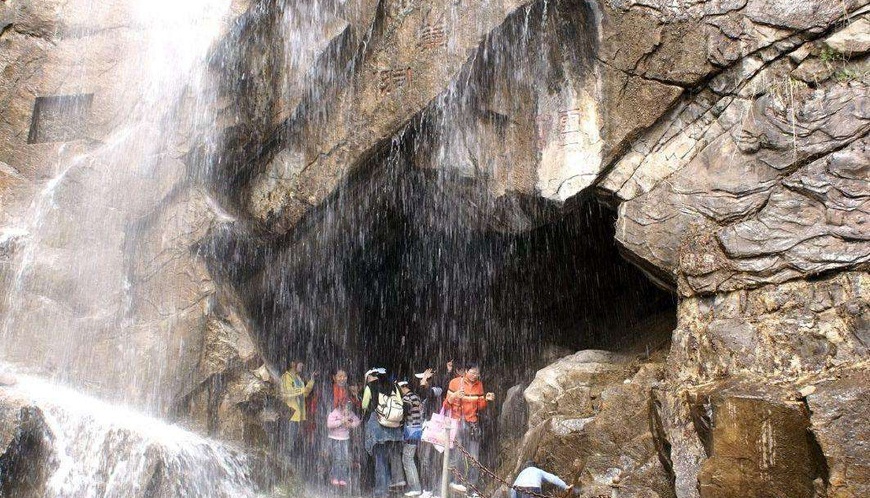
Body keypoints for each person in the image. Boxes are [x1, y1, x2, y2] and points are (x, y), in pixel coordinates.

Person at [443, 364, 495, 496]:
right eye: (472, 373)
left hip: (473, 424)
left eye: (477, 373)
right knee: (458, 456)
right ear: (466, 371)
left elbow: (480, 406)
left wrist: (486, 400)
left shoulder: (479, 385)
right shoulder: (455, 383)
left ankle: (472, 489)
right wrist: (454, 395)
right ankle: (456, 483)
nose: (475, 376)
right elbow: (446, 405)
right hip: (458, 423)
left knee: (474, 458)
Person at [362, 369, 406, 498]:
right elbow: (401, 404)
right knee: (390, 458)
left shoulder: (370, 387)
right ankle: (392, 486)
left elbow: (364, 405)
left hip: (378, 428)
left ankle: (381, 491)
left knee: (380, 461)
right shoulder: (394, 386)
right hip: (393, 429)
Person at [280, 360, 316, 459]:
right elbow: (286, 393)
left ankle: (289, 462)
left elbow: (304, 394)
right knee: (289, 442)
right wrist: (302, 390)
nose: (302, 365)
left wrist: (311, 381)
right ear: (292, 363)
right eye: (300, 363)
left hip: (299, 416)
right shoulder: (286, 377)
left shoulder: (298, 378)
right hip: (290, 416)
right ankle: (284, 461)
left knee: (294, 441)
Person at [327, 400, 361, 488]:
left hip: (345, 439)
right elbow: (329, 424)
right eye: (345, 408)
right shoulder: (335, 413)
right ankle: (334, 476)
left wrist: (350, 424)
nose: (347, 410)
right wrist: (341, 421)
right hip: (335, 439)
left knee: (344, 458)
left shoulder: (351, 414)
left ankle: (343, 477)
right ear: (341, 407)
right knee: (337, 458)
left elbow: (357, 421)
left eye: (348, 408)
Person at [399, 380, 423, 496]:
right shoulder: (416, 396)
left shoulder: (407, 398)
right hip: (418, 430)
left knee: (407, 459)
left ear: (402, 387)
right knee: (411, 458)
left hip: (411, 431)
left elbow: (403, 413)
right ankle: (416, 486)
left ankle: (415, 487)